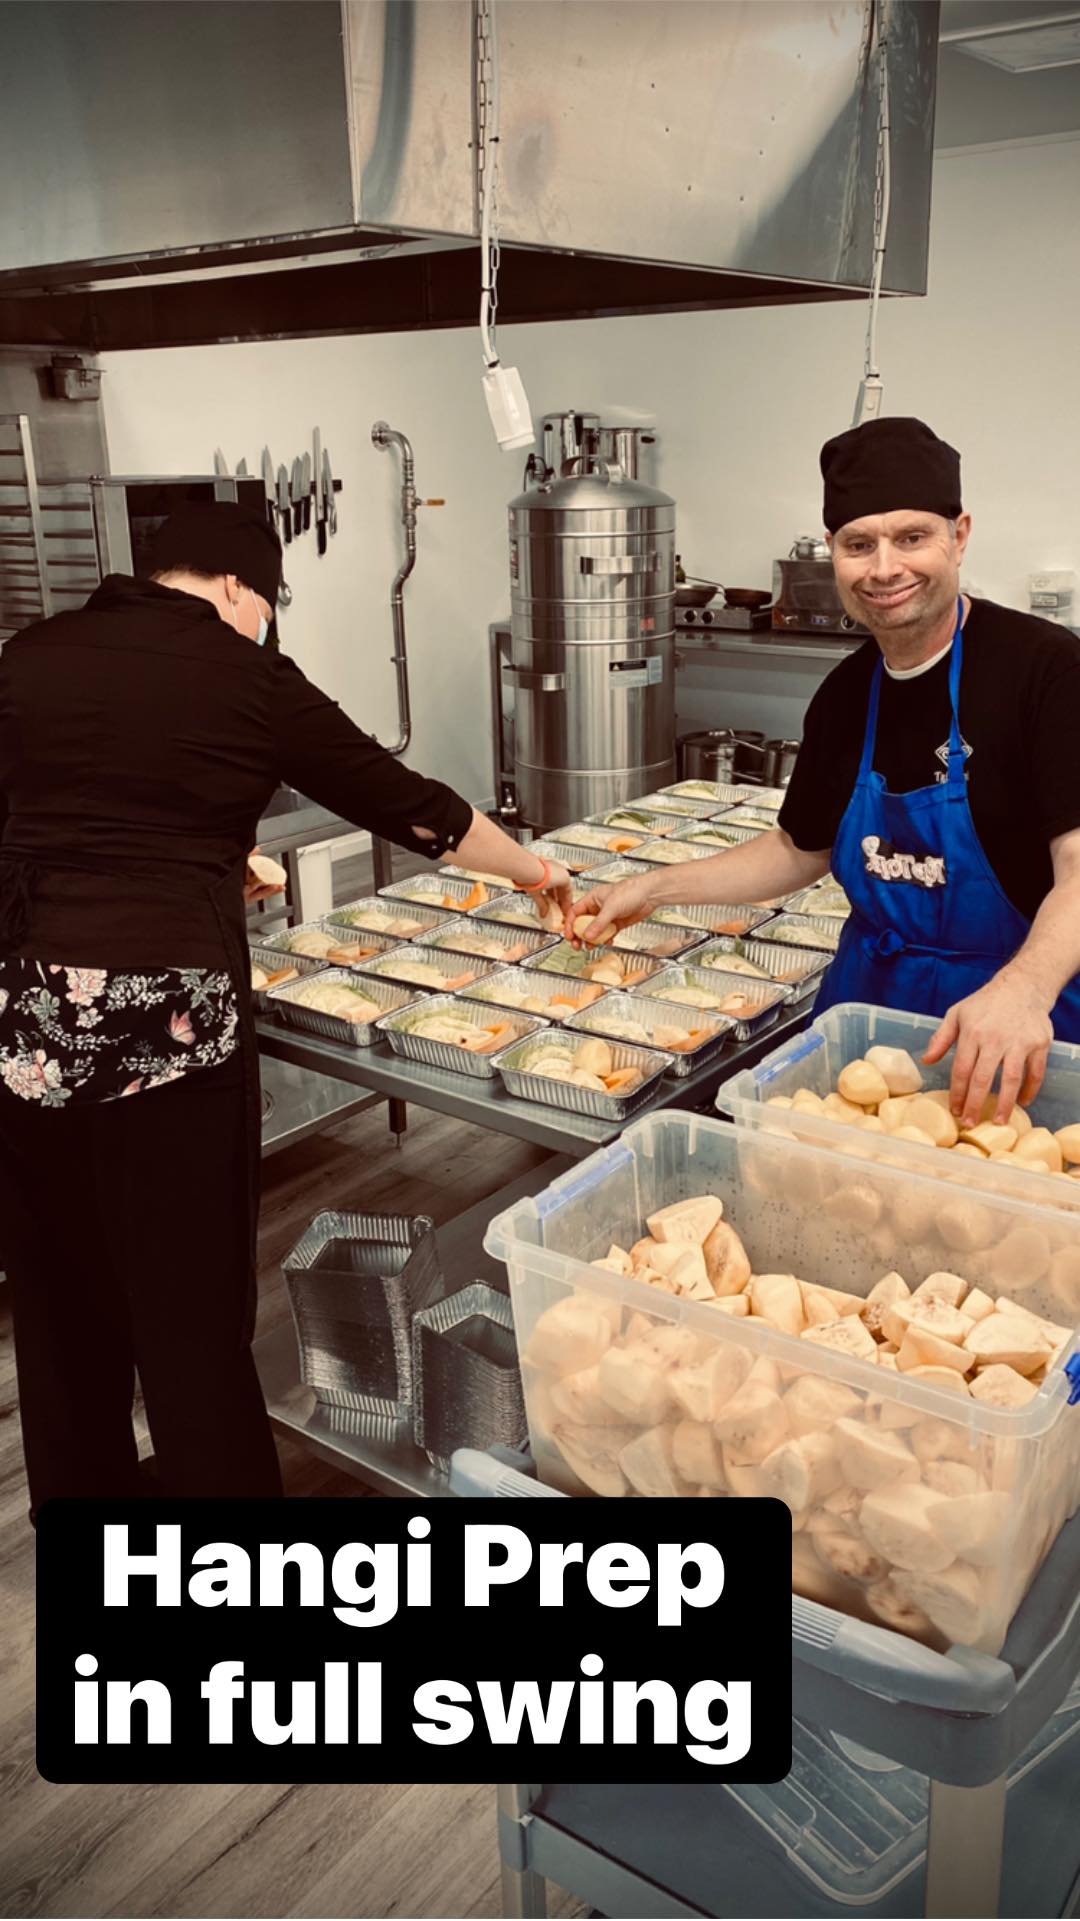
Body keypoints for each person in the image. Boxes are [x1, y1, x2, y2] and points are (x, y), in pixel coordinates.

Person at [0, 502, 572, 1517]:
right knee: (186, 1307)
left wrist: (204, 857)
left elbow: (61, 820)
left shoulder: (30, 654)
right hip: (168, 1025)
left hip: (32, 1018)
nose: (263, 623)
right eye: (266, 605)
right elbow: (409, 805)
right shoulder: (246, 674)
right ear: (238, 587)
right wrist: (535, 871)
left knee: (60, 1295)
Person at [575, 417, 1080, 1126]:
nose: (884, 568)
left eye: (912, 537)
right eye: (858, 544)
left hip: (1020, 1024)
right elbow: (799, 847)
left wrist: (1022, 989)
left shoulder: (1048, 671)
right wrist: (653, 888)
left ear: (959, 536)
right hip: (871, 1013)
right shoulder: (846, 695)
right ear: (834, 554)